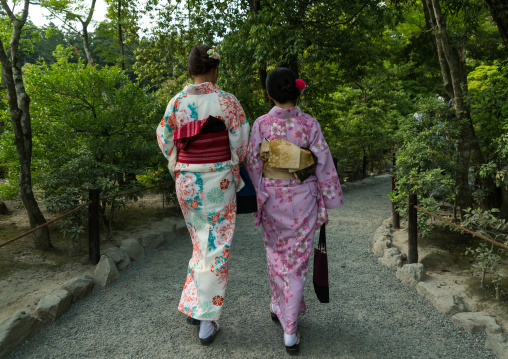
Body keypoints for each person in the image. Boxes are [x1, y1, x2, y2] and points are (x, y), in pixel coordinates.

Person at [156, 44, 250, 345]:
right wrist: (232, 168)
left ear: (190, 70)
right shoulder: (227, 101)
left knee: (201, 244)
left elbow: (164, 138)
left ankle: (194, 305)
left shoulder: (176, 102)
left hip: (187, 181)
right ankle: (207, 320)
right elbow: (241, 143)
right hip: (217, 179)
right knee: (217, 247)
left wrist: (179, 165)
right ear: (214, 68)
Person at [246, 67, 344, 353]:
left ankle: (283, 312)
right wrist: (329, 198)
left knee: (276, 256)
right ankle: (288, 324)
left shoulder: (262, 124)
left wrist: (260, 193)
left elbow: (253, 163)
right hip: (304, 199)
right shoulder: (309, 124)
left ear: (269, 94)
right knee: (297, 261)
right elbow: (323, 163)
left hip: (273, 198)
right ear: (296, 91)